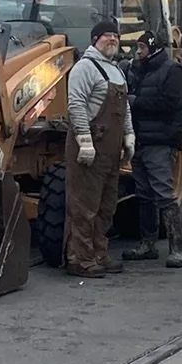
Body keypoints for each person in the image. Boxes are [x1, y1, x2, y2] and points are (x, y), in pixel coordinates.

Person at [64, 17, 134, 277]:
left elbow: (124, 107)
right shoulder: (85, 67)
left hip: (110, 152)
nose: (113, 39)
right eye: (107, 35)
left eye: (115, 36)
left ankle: (99, 253)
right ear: (95, 40)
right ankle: (79, 259)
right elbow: (76, 104)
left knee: (106, 206)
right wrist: (84, 140)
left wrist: (129, 136)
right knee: (84, 206)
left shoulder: (115, 70)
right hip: (90, 151)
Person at [124, 31, 182, 268]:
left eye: (142, 47)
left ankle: (176, 249)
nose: (138, 51)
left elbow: (172, 103)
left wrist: (136, 101)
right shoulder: (137, 69)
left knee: (164, 192)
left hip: (159, 142)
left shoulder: (173, 71)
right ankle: (147, 244)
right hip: (140, 140)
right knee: (143, 193)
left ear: (153, 48)